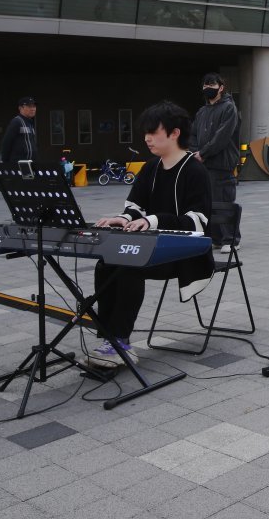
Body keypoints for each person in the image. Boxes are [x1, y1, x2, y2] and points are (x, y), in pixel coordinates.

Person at [90, 101, 213, 367]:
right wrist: (120, 219)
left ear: (174, 133)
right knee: (106, 263)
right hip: (151, 249)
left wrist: (154, 220)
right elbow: (135, 206)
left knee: (129, 267)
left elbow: (199, 223)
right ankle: (109, 338)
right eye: (145, 132)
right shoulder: (150, 168)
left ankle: (120, 341)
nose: (147, 138)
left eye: (153, 131)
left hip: (184, 254)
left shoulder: (195, 171)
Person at [190, 73, 241, 249]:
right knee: (208, 202)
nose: (208, 88)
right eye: (205, 85)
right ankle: (216, 239)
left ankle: (231, 240)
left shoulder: (229, 108)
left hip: (222, 163)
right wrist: (194, 152)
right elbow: (193, 134)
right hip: (203, 163)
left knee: (224, 200)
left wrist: (203, 153)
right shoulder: (202, 111)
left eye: (211, 85)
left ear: (221, 87)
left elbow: (223, 136)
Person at [0, 96, 38, 163]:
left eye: (34, 106)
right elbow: (6, 143)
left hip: (30, 164)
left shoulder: (30, 123)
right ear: (20, 108)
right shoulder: (16, 122)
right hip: (18, 165)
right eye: (29, 106)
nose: (33, 109)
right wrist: (5, 163)